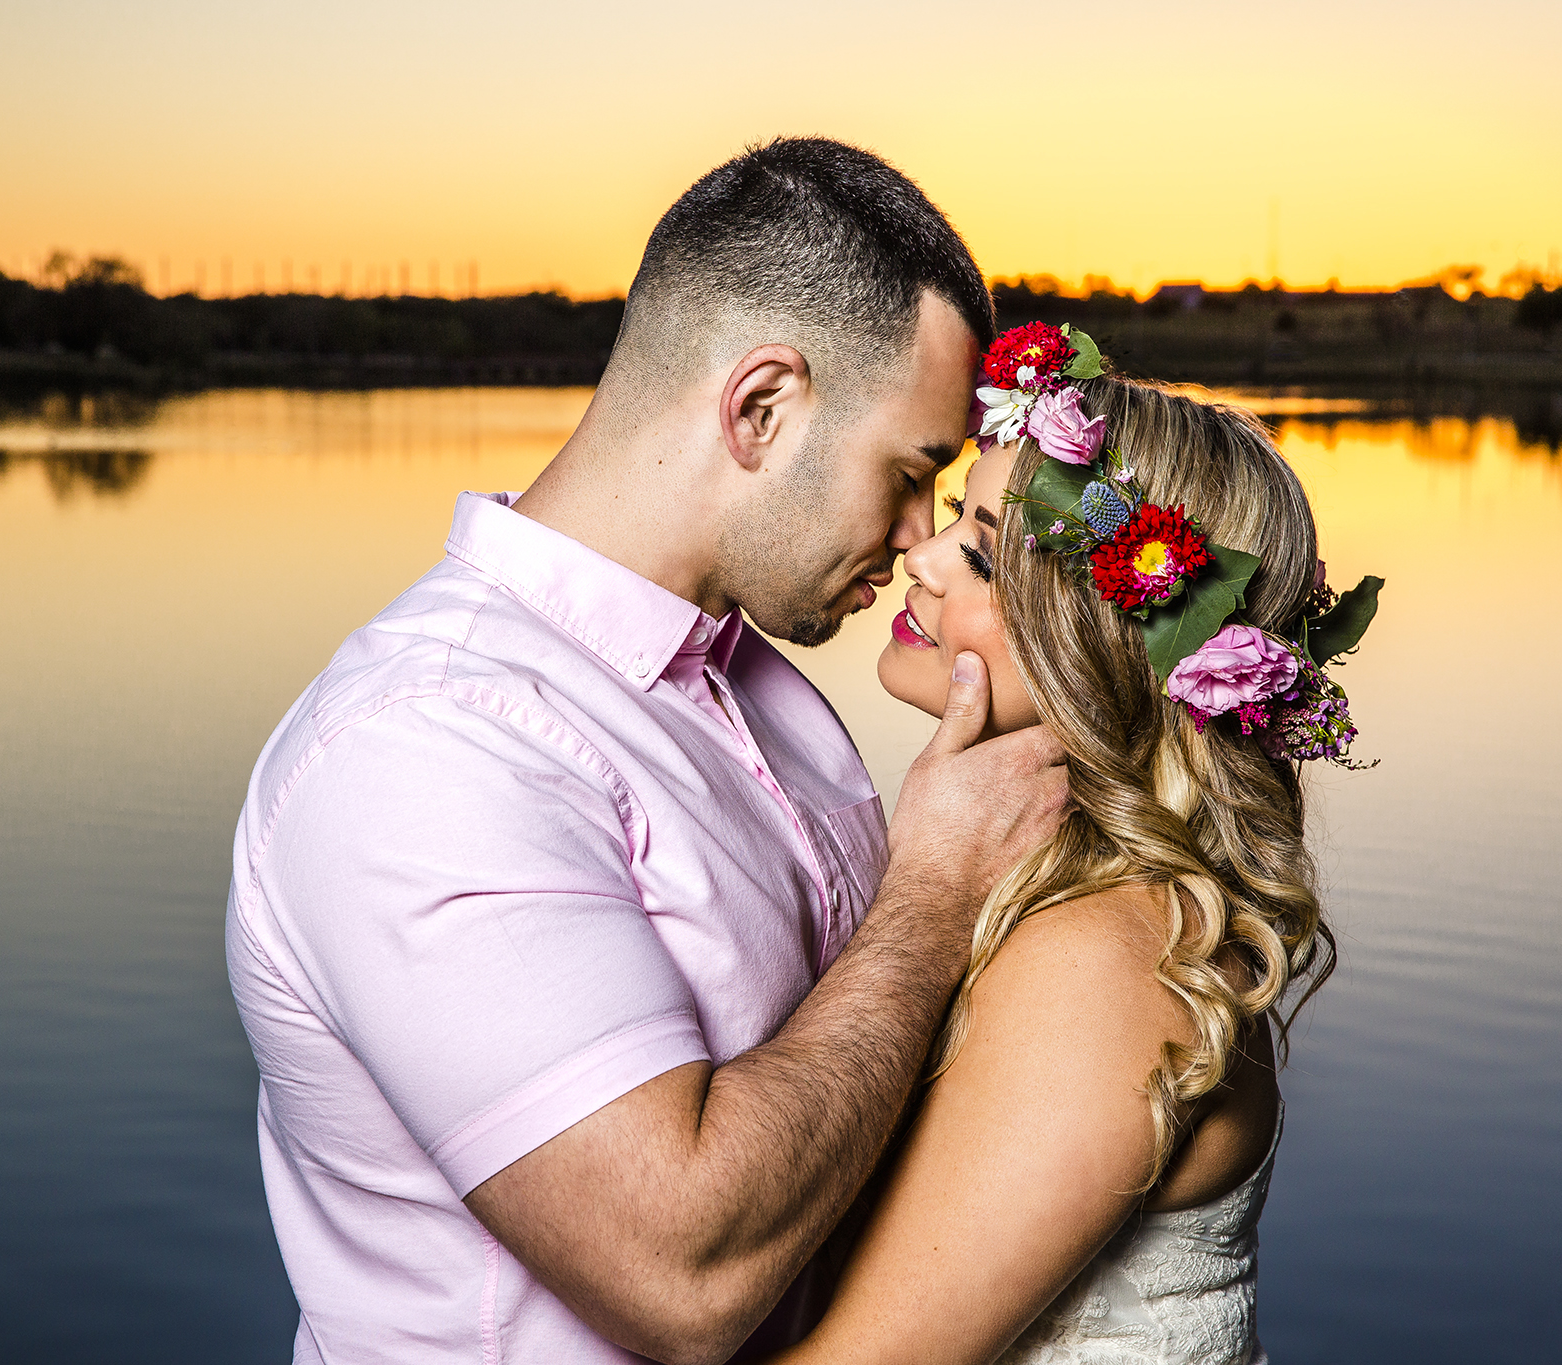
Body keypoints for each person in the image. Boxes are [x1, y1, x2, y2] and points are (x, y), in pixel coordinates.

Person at [224, 138, 1069, 1364]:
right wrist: (936, 893)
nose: (912, 538)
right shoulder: (425, 746)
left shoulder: (768, 692)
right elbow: (680, 1275)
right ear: (760, 406)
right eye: (905, 474)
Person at [765, 336, 1380, 1365]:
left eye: (977, 553)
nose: (915, 557)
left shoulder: (1102, 959)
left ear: (1097, 634)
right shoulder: (1073, 904)